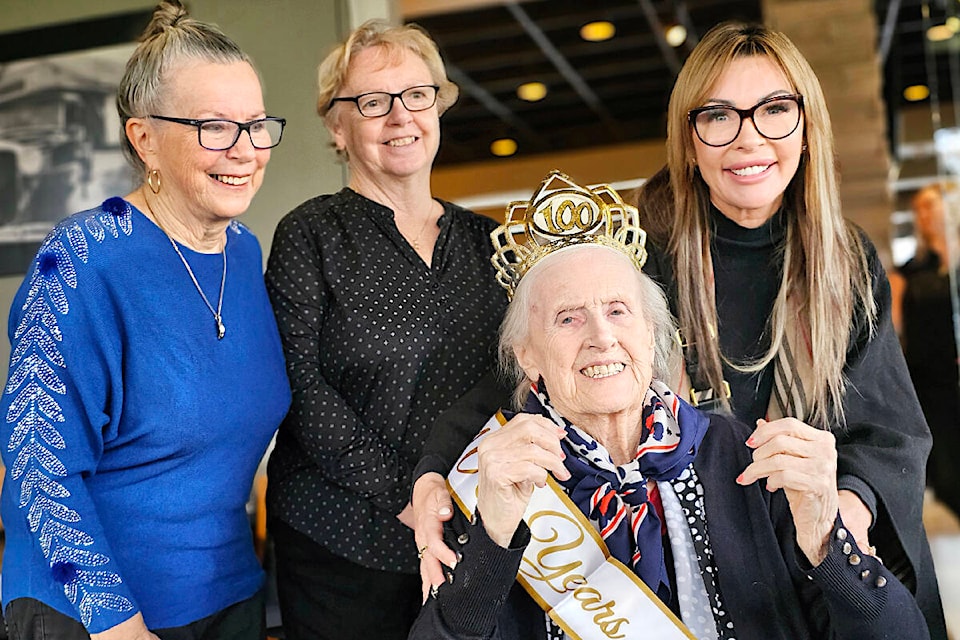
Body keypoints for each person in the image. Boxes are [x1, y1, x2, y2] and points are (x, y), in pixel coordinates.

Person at [411, 21, 947, 639]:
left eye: (774, 109)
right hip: (677, 528)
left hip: (801, 532)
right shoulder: (642, 245)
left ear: (808, 126)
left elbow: (889, 430)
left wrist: (836, 519)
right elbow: (547, 360)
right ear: (689, 139)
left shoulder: (845, 261)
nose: (748, 139)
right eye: (718, 116)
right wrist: (435, 473)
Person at [0, 1, 290, 638]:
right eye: (214, 127)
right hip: (90, 615)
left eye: (256, 124)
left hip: (228, 595)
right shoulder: (79, 260)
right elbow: (37, 463)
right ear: (144, 138)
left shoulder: (243, 252)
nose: (245, 150)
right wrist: (116, 622)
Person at [264, 19, 508, 640]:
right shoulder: (310, 235)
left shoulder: (491, 244)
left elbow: (515, 378)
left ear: (439, 106)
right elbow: (299, 388)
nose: (401, 116)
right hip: (341, 546)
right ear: (336, 126)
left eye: (417, 95)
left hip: (470, 539)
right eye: (373, 102)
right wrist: (413, 496)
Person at [889, 184, 960, 520]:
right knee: (945, 476)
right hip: (929, 384)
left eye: (931, 206)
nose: (924, 215)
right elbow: (892, 330)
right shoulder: (909, 272)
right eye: (919, 209)